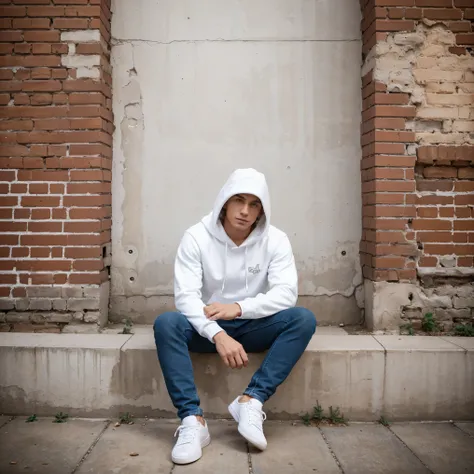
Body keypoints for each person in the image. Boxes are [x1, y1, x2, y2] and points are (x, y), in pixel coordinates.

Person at [154, 168, 317, 465]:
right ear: (224, 202)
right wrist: (217, 333)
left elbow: (285, 293)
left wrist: (239, 308)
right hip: (209, 329)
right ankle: (193, 422)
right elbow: (186, 297)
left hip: (253, 325)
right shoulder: (196, 237)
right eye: (238, 200)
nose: (244, 211)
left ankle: (251, 400)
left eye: (254, 204)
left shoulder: (276, 240)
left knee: (302, 319)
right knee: (166, 324)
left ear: (262, 210)